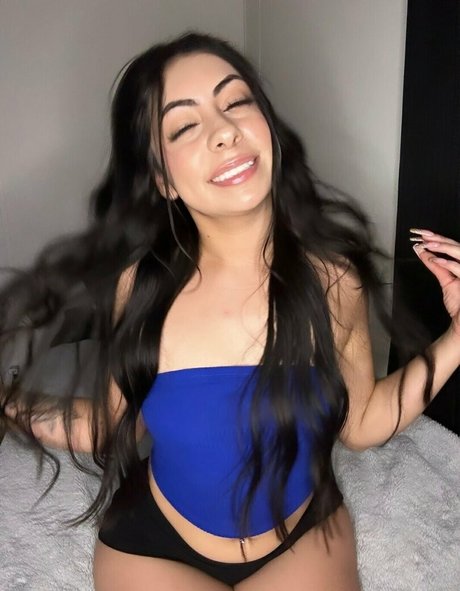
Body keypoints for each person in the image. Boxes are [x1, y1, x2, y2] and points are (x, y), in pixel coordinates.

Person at [0, 32, 459, 591]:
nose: (224, 131)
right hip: (156, 545)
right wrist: (7, 402)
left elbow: (361, 423)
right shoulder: (140, 285)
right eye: (184, 126)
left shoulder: (333, 279)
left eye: (236, 101)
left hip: (302, 534)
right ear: (163, 179)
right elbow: (111, 424)